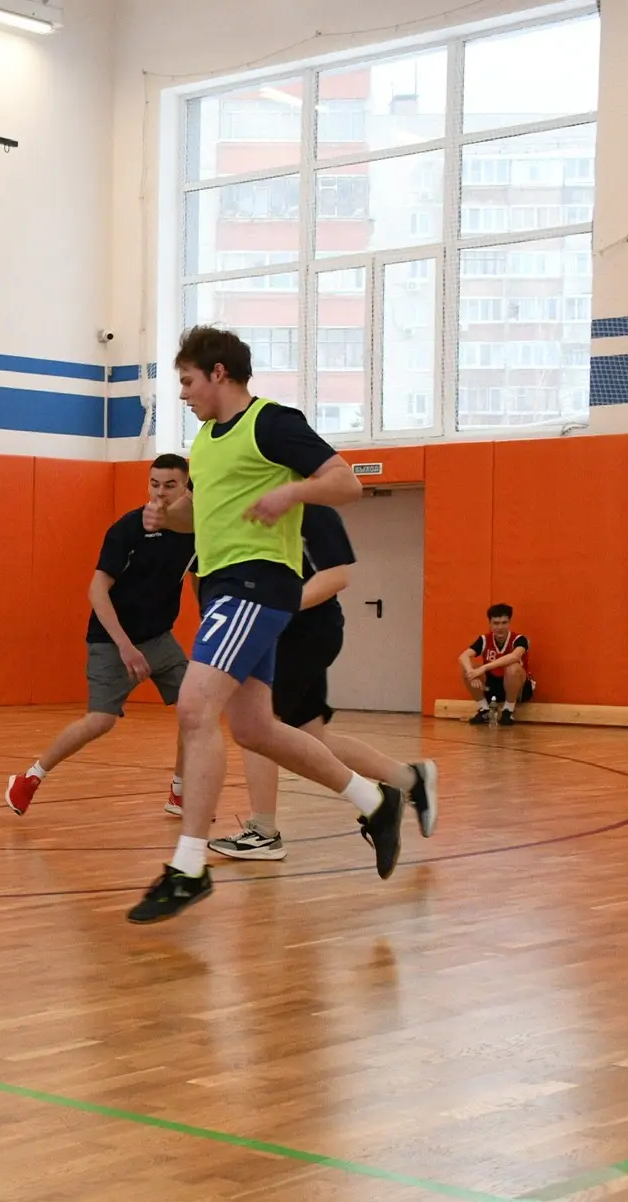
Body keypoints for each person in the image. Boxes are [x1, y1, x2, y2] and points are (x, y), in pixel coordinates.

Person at [128, 326, 406, 925]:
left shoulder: (271, 423)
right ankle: (375, 801)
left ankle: (188, 867)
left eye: (187, 381)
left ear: (219, 373)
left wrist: (292, 494)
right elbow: (201, 515)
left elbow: (347, 482)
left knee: (195, 708)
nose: (183, 394)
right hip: (224, 587)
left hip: (256, 585)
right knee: (255, 729)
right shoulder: (205, 442)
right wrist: (166, 516)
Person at [207, 503, 437, 860]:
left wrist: (278, 608)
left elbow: (336, 578)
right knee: (311, 738)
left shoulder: (309, 509)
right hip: (283, 630)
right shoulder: (234, 505)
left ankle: (263, 831)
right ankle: (409, 779)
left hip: (304, 631)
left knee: (256, 723)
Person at [5, 455, 195, 819]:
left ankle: (180, 792)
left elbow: (197, 580)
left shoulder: (194, 533)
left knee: (195, 707)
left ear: (186, 488)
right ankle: (30, 777)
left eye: (170, 486)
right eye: (154, 484)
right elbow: (96, 591)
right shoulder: (127, 530)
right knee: (100, 720)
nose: (160, 493)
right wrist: (125, 647)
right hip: (112, 641)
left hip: (159, 639)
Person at [461, 604, 533, 724]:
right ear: (490, 623)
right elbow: (463, 656)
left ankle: (508, 711)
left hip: (518, 689)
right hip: (493, 688)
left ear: (509, 623)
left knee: (512, 667)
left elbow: (515, 656)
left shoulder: (519, 639)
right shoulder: (484, 639)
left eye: (504, 623)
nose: (500, 627)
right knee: (467, 668)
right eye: (496, 623)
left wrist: (483, 668)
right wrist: (471, 674)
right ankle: (484, 710)